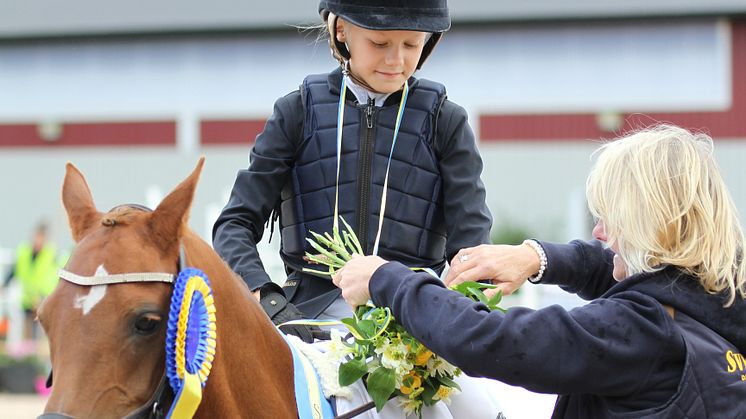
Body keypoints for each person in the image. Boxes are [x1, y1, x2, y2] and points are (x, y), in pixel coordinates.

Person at [333, 125, 746, 418]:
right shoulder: (720, 299)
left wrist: (386, 279)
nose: (599, 232)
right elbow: (635, 277)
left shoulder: (641, 332)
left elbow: (495, 340)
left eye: (610, 218)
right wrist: (535, 258)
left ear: (651, 223)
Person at [213, 0, 492, 342]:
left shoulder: (446, 121)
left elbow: (472, 248)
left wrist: (464, 306)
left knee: (485, 399)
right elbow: (234, 224)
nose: (397, 60)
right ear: (341, 30)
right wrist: (267, 296)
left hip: (417, 319)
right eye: (380, 43)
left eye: (412, 44)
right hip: (307, 320)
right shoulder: (296, 112)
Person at [4, 222, 61, 340]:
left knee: (40, 330)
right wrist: (4, 285)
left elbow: (57, 275)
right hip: (27, 298)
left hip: (42, 298)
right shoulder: (23, 252)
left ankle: (38, 352)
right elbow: (14, 270)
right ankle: (28, 353)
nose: (38, 241)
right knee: (26, 331)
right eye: (36, 237)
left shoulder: (51, 254)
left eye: (41, 238)